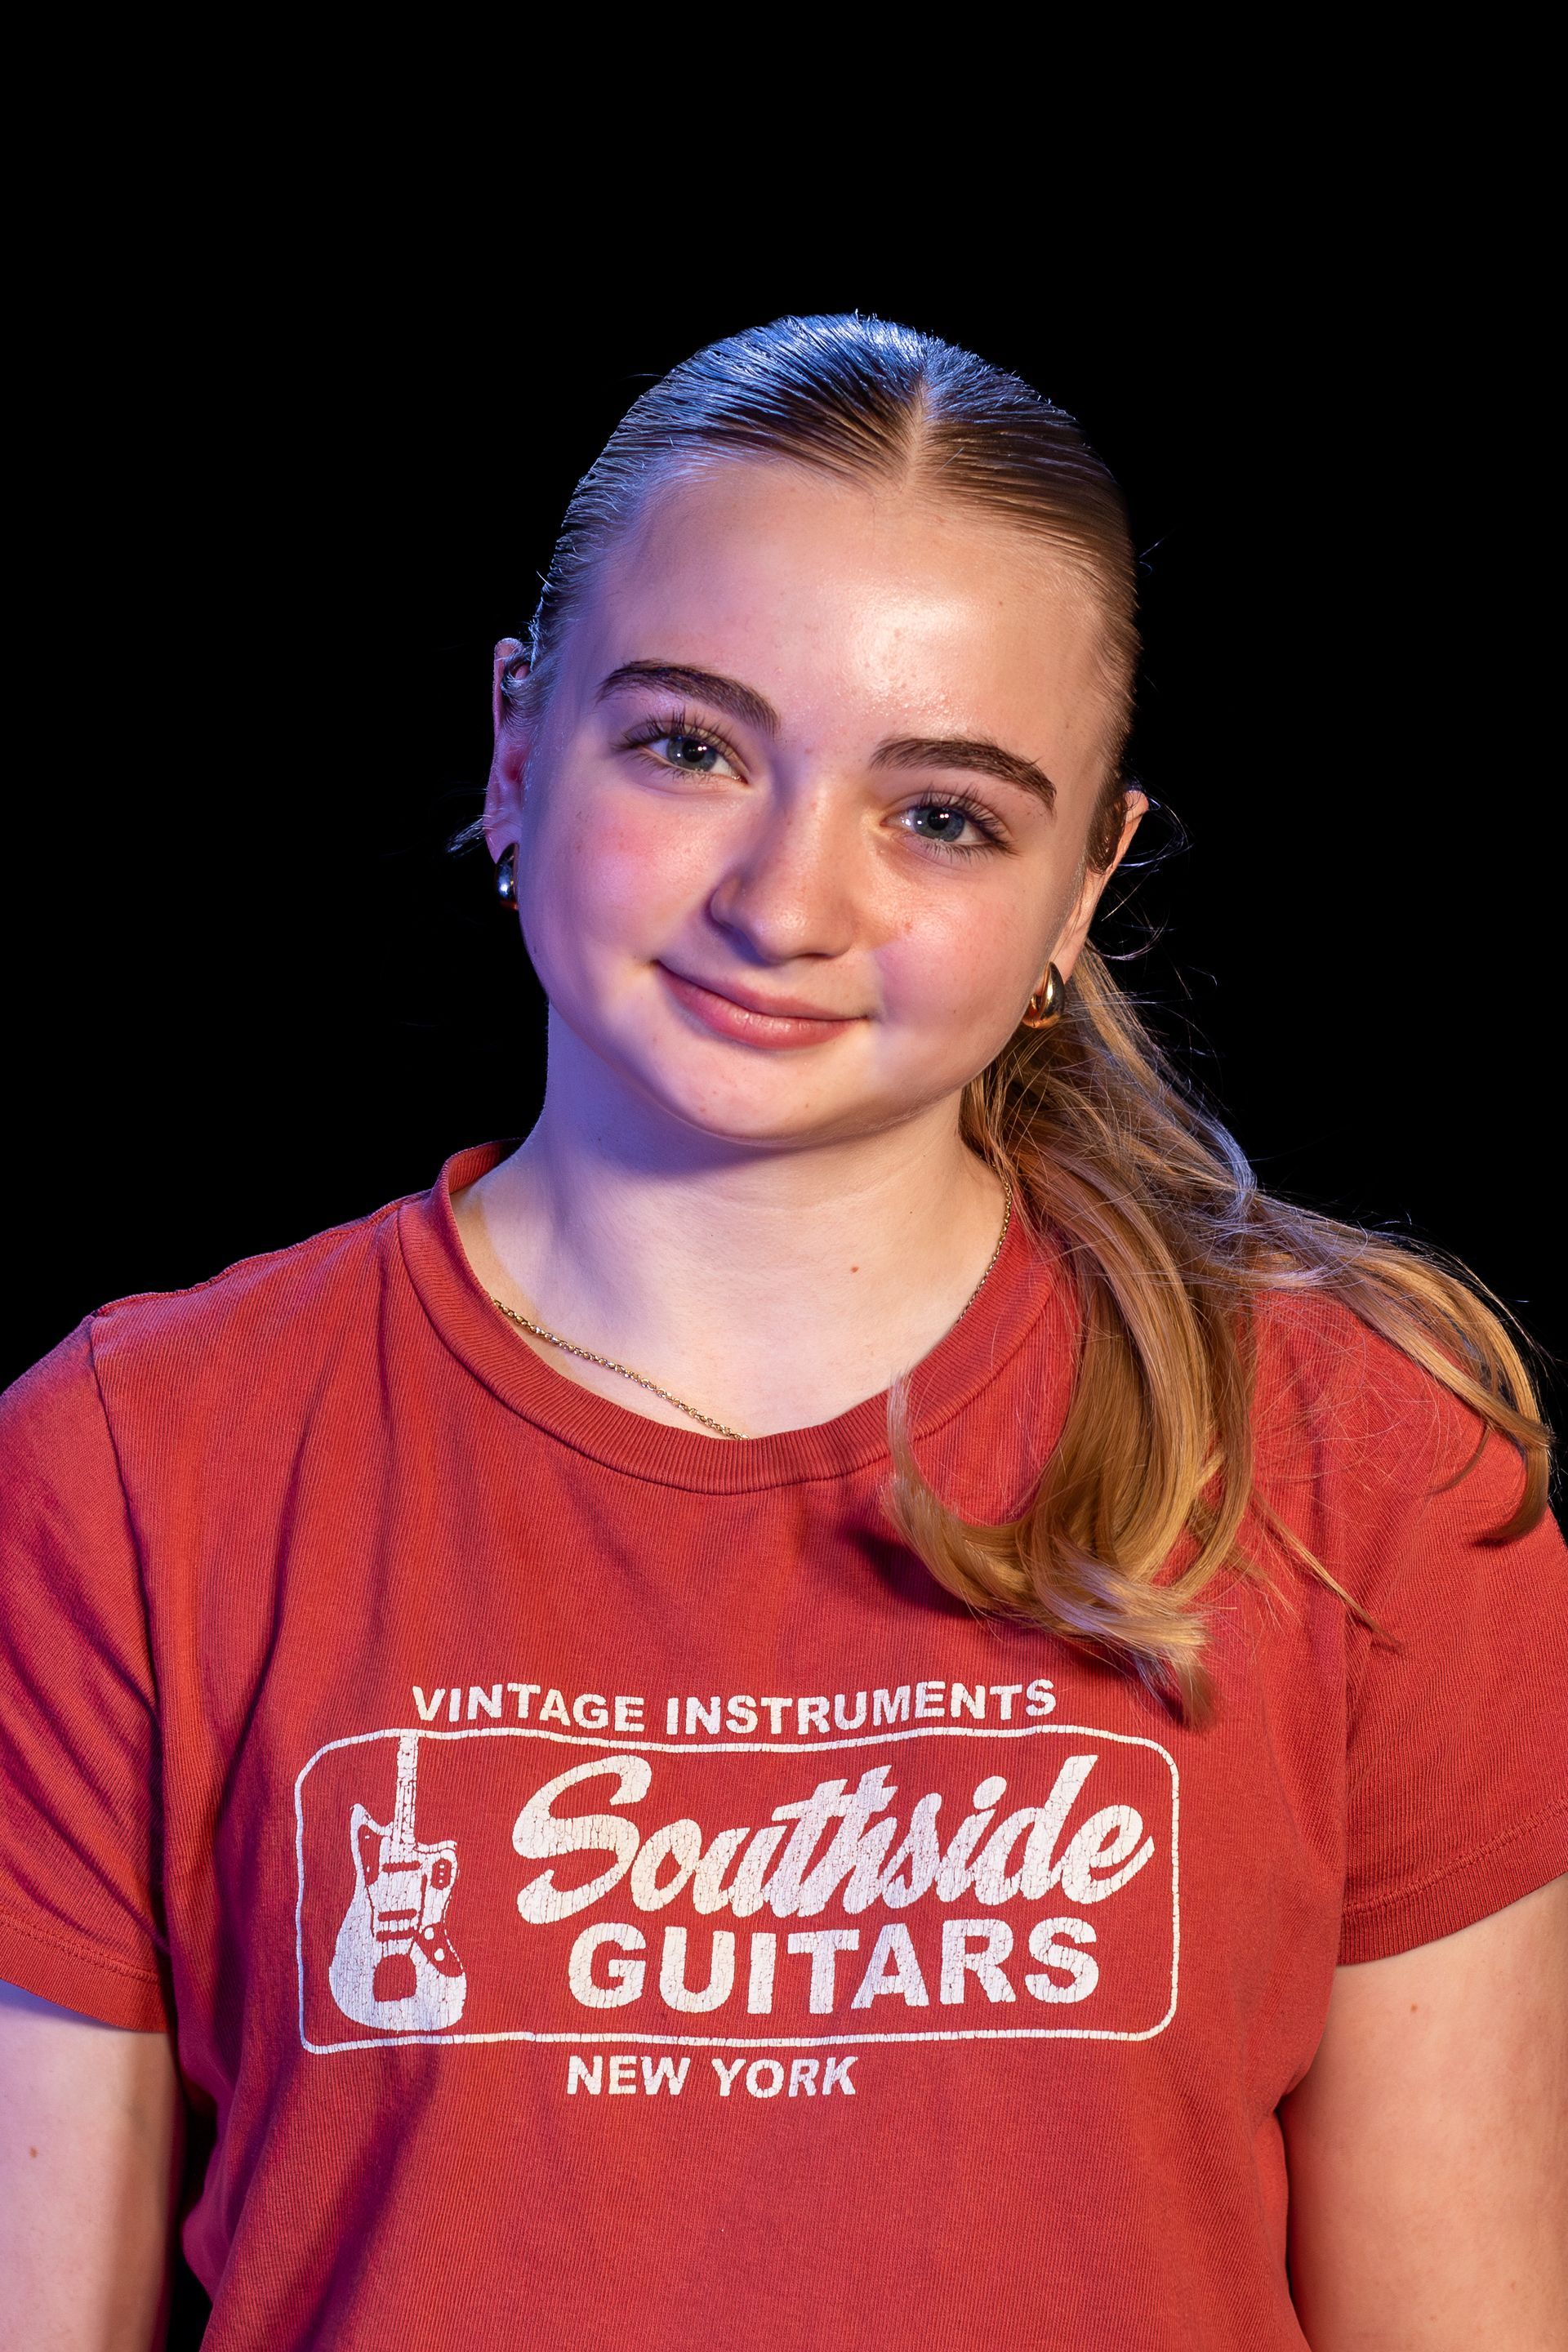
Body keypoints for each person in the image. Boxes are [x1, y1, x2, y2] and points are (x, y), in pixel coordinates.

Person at [1, 314, 1563, 2352]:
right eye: (691, 747)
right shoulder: (143, 1459)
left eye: (944, 816)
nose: (788, 899)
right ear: (512, 739)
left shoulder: (1365, 1458)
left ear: (1080, 886)